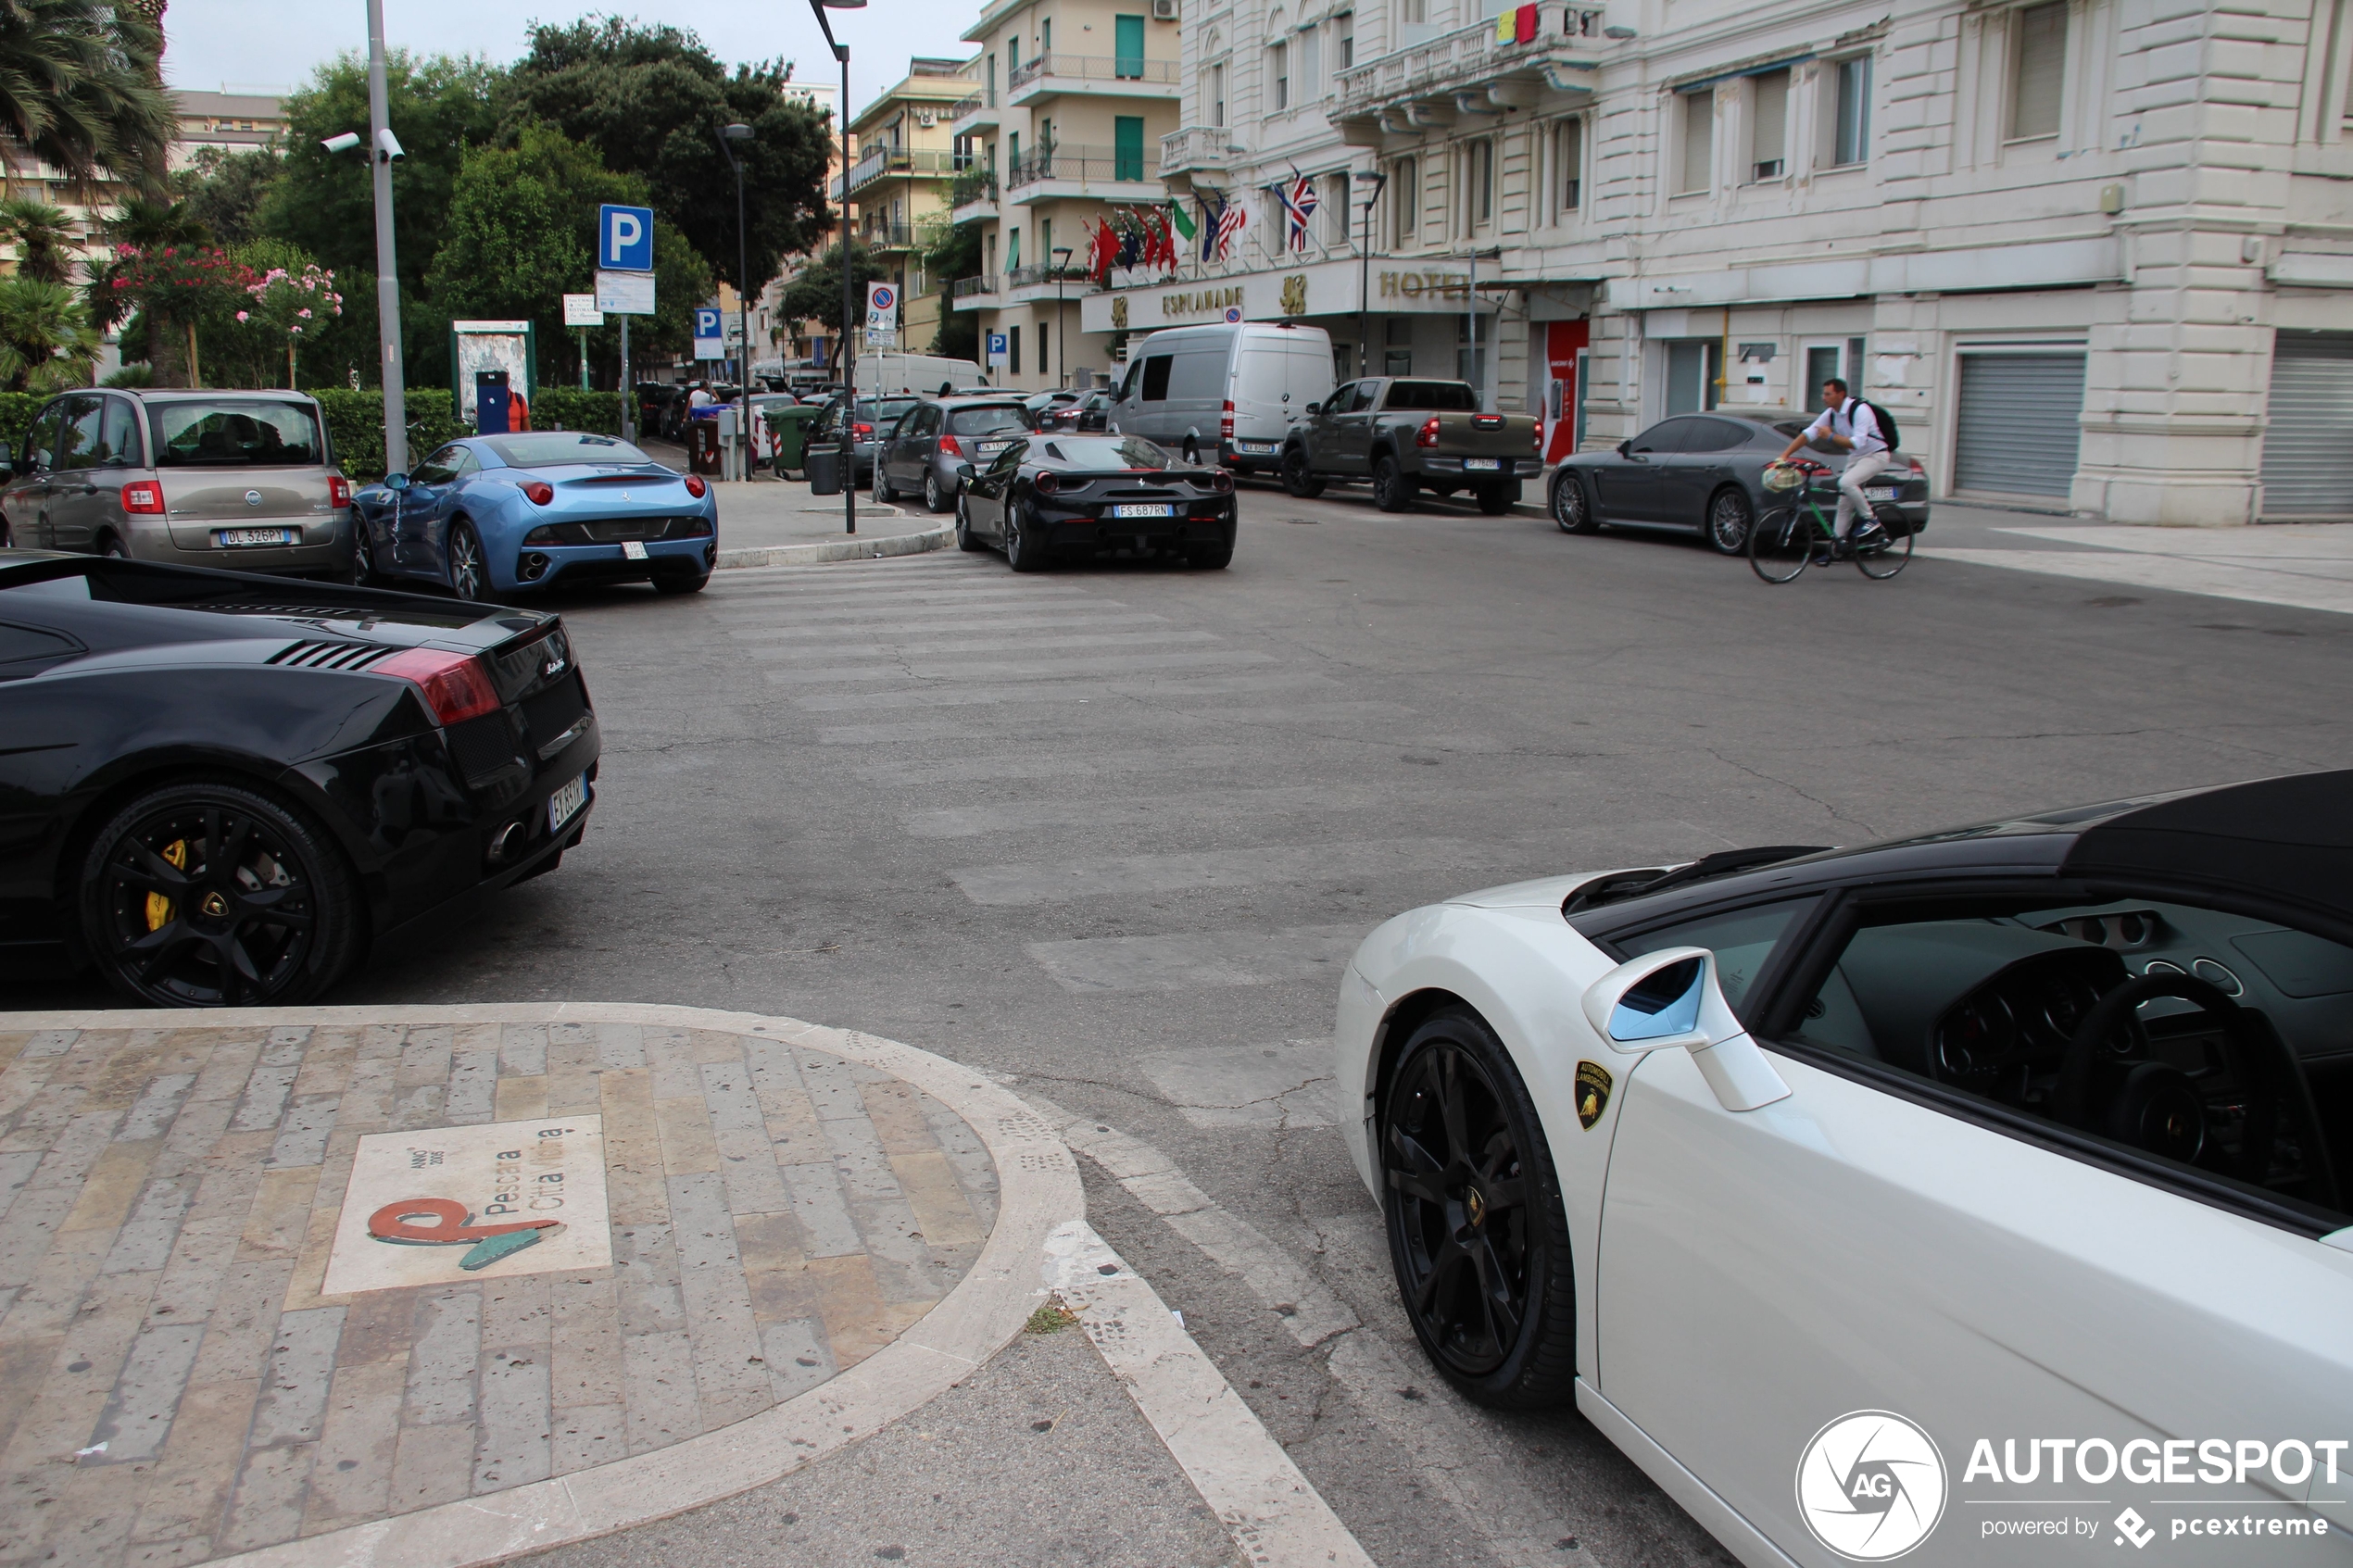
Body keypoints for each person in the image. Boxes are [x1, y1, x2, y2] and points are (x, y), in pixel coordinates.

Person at [1775, 377, 1889, 556]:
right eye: (1823, 393)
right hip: (1856, 457)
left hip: (1876, 455)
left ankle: (1871, 519)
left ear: (1840, 394)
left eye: (1828, 394)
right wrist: (1784, 456)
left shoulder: (1860, 410)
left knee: (1846, 483)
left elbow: (1857, 443)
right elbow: (1809, 433)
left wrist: (1829, 436)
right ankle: (1837, 548)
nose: (1823, 397)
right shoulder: (1831, 413)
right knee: (1843, 502)